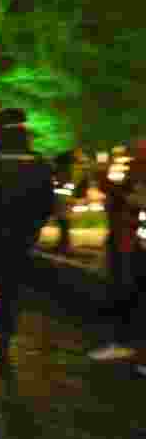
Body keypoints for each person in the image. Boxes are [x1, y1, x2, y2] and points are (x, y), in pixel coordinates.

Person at [0, 108, 55, 361]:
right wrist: (31, 230)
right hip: (19, 241)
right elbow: (46, 204)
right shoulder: (39, 164)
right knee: (11, 291)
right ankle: (4, 338)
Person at [88, 138, 146, 362]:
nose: (130, 157)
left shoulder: (139, 174)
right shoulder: (134, 174)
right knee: (127, 296)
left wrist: (109, 187)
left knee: (127, 295)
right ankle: (126, 343)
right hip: (127, 243)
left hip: (131, 246)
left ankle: (126, 343)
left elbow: (133, 202)